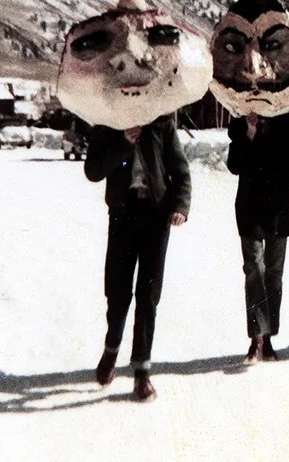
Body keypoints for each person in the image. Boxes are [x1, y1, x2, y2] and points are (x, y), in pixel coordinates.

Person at [84, 115, 190, 402]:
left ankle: (142, 372)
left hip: (157, 216)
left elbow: (181, 171)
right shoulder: (108, 120)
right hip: (122, 216)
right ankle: (111, 349)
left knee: (148, 295)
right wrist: (123, 143)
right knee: (118, 293)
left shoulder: (161, 122)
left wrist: (181, 205)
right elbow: (93, 170)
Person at [226, 111, 289, 362]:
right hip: (249, 209)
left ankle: (267, 338)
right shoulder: (241, 122)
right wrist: (248, 135)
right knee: (253, 269)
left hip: (279, 210)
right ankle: (256, 337)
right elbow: (234, 165)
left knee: (274, 273)